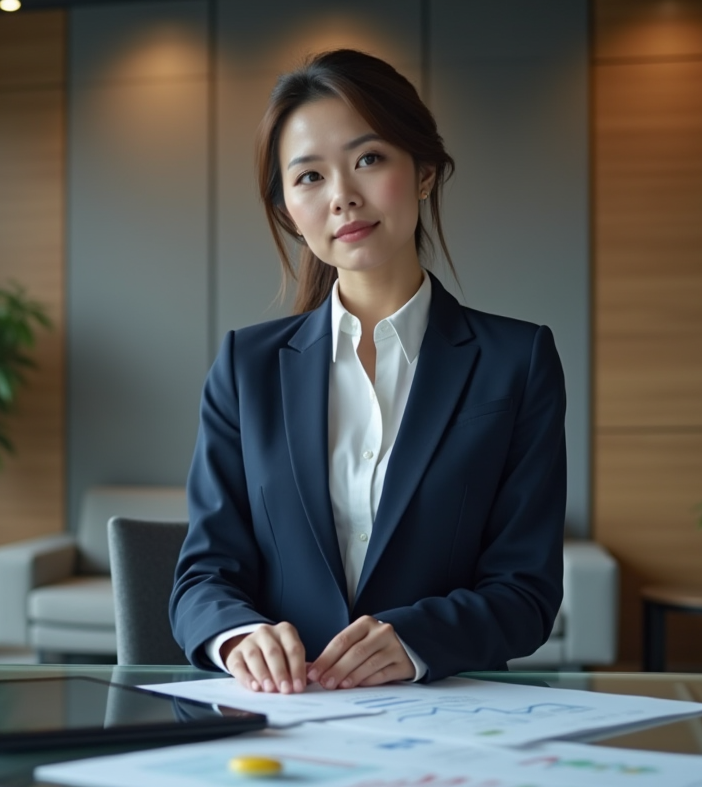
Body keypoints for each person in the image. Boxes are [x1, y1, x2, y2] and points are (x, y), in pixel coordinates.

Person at [169, 49, 566, 693]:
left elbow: (526, 591)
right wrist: (239, 636)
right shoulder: (246, 367)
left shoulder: (516, 362)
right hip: (285, 719)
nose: (343, 197)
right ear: (289, 213)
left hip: (444, 720)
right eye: (309, 178)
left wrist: (416, 640)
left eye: (369, 159)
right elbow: (202, 577)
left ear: (425, 171)